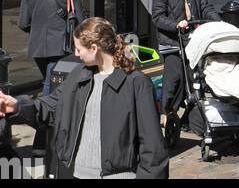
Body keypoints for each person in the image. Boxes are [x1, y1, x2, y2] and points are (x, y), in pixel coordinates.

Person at [0, 17, 167, 178]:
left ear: (94, 48)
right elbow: (51, 107)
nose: (75, 53)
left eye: (78, 49)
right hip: (77, 175)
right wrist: (17, 106)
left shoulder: (136, 83)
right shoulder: (78, 76)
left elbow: (153, 149)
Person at [151, 0, 220, 126]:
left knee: (195, 80)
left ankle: (189, 115)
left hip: (193, 42)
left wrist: (218, 22)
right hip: (173, 42)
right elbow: (158, 17)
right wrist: (176, 24)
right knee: (174, 78)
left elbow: (206, 8)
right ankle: (165, 112)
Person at [19, 0, 86, 95]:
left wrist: (38, 30)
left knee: (50, 79)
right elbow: (81, 21)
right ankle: (47, 115)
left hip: (37, 47)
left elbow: (23, 23)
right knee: (52, 82)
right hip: (61, 45)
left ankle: (49, 111)